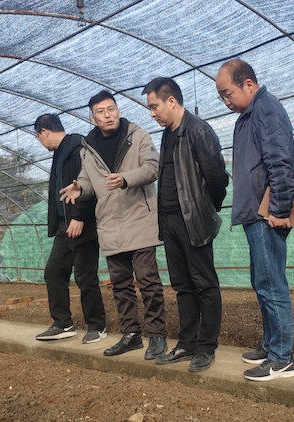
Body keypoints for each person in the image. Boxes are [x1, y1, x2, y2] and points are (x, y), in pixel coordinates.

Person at [60, 91, 168, 360]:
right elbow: (87, 179)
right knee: (120, 284)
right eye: (101, 111)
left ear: (118, 111)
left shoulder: (138, 136)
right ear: (92, 117)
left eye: (111, 109)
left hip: (139, 218)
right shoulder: (88, 148)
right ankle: (131, 334)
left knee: (148, 281)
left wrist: (125, 178)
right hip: (109, 222)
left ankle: (157, 335)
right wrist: (80, 187)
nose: (108, 115)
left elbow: (153, 167)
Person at [215, 59, 294, 381]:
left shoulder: (266, 109)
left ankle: (282, 358)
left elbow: (281, 161)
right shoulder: (250, 113)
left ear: (248, 83)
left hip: (266, 214)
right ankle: (270, 344)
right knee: (262, 281)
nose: (225, 100)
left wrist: (278, 209)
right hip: (256, 212)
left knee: (271, 283)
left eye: (227, 93)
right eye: (221, 96)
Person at [141, 77, 229, 372]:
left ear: (171, 101)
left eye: (154, 106)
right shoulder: (168, 134)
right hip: (169, 221)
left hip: (192, 219)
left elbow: (217, 177)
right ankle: (187, 343)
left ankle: (206, 347)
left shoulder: (198, 131)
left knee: (204, 284)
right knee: (182, 286)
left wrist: (204, 209)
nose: (152, 113)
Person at [33, 113, 107, 344]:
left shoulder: (77, 147)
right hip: (64, 226)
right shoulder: (60, 152)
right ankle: (63, 323)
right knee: (54, 272)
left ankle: (97, 326)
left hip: (81, 223)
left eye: (38, 137)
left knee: (85, 276)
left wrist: (79, 216)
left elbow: (86, 184)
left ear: (44, 132)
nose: (40, 141)